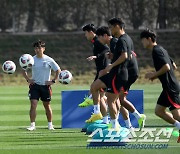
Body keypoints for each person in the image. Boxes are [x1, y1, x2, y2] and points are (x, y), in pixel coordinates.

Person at [96, 25, 146, 130]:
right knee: (119, 99)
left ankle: (116, 124)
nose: (98, 40)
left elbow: (127, 56)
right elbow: (129, 54)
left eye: (99, 37)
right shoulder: (121, 40)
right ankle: (129, 123)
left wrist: (110, 67)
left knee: (114, 99)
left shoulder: (117, 41)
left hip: (124, 73)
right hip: (126, 73)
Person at [140, 29, 180, 142]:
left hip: (170, 87)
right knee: (159, 111)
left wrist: (154, 74)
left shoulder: (156, 50)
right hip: (169, 86)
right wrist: (156, 75)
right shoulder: (161, 49)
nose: (142, 43)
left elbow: (167, 67)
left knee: (177, 115)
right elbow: (173, 65)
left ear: (148, 39)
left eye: (142, 40)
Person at [22, 40, 61, 131]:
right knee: (33, 104)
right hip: (35, 86)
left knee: (47, 105)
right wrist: (28, 79)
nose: (37, 49)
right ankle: (32, 125)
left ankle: (50, 124)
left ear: (43, 49)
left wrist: (53, 81)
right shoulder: (31, 59)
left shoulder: (49, 60)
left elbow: (58, 70)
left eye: (39, 48)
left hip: (45, 86)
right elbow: (23, 70)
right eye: (36, 48)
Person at [80, 24, 110, 124]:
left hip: (103, 71)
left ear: (91, 32)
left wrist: (96, 56)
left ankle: (97, 113)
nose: (85, 36)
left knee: (94, 91)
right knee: (100, 97)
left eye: (86, 33)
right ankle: (104, 119)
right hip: (101, 70)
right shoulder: (95, 41)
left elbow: (107, 50)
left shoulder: (98, 41)